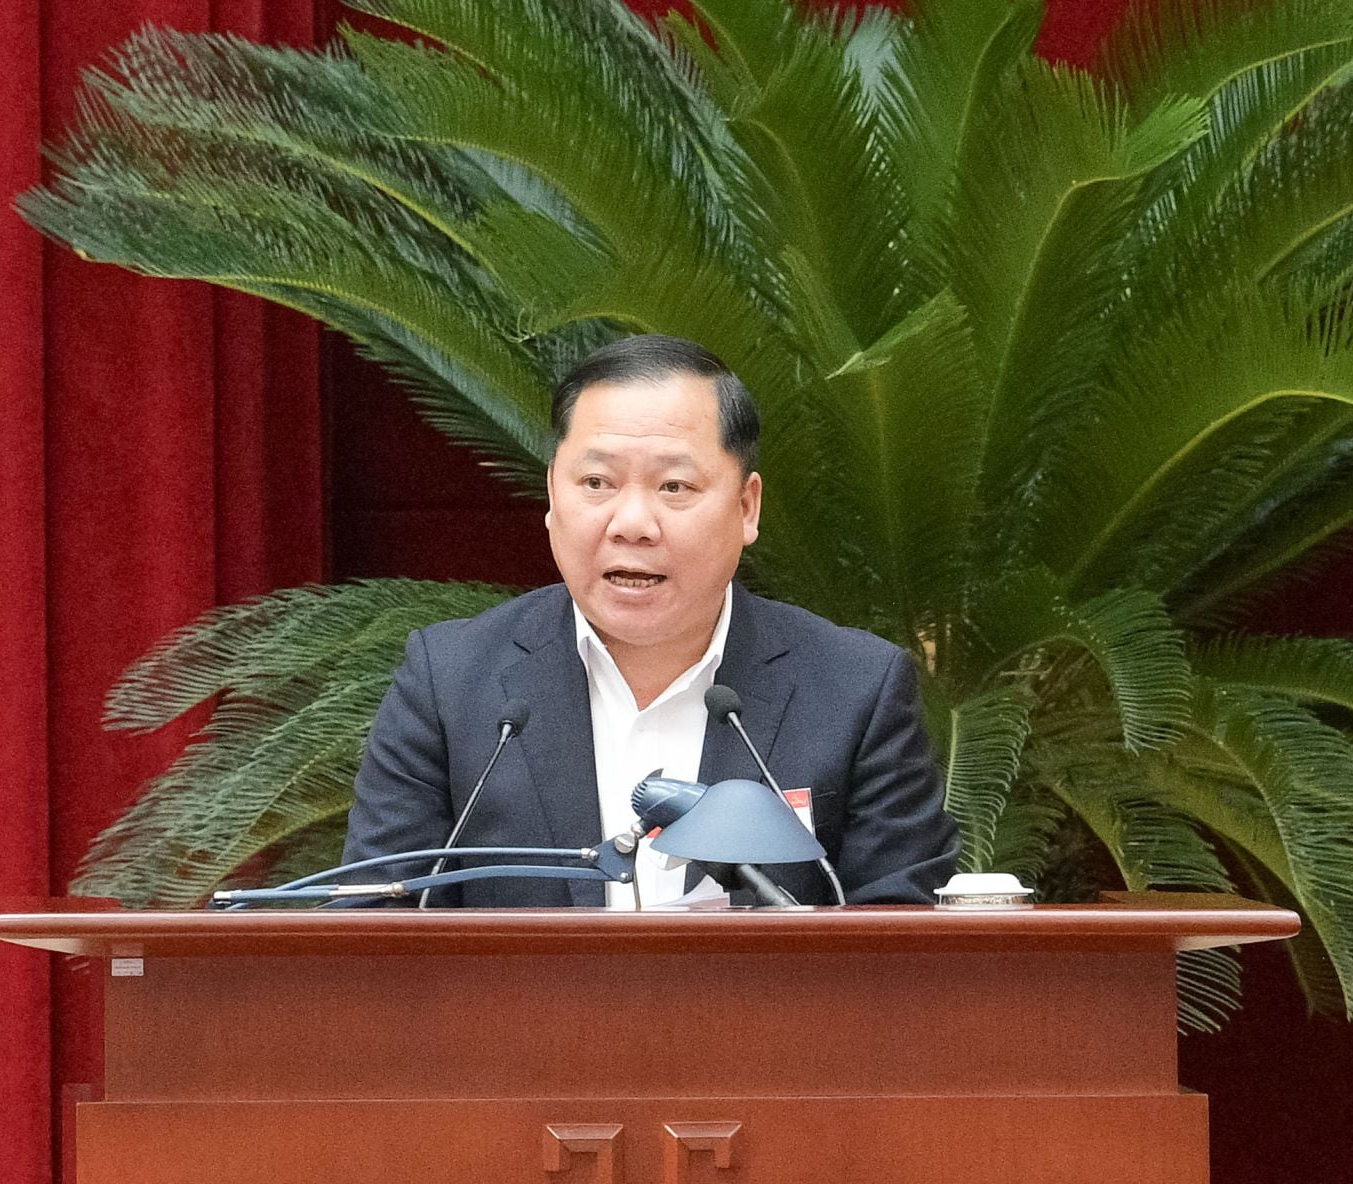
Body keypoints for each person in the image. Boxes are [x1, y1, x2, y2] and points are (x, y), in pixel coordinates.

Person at [342, 334, 959, 906]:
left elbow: (903, 946)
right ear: (553, 497)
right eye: (596, 482)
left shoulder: (855, 689)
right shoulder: (451, 682)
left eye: (674, 487)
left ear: (747, 507)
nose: (632, 523)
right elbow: (372, 927)